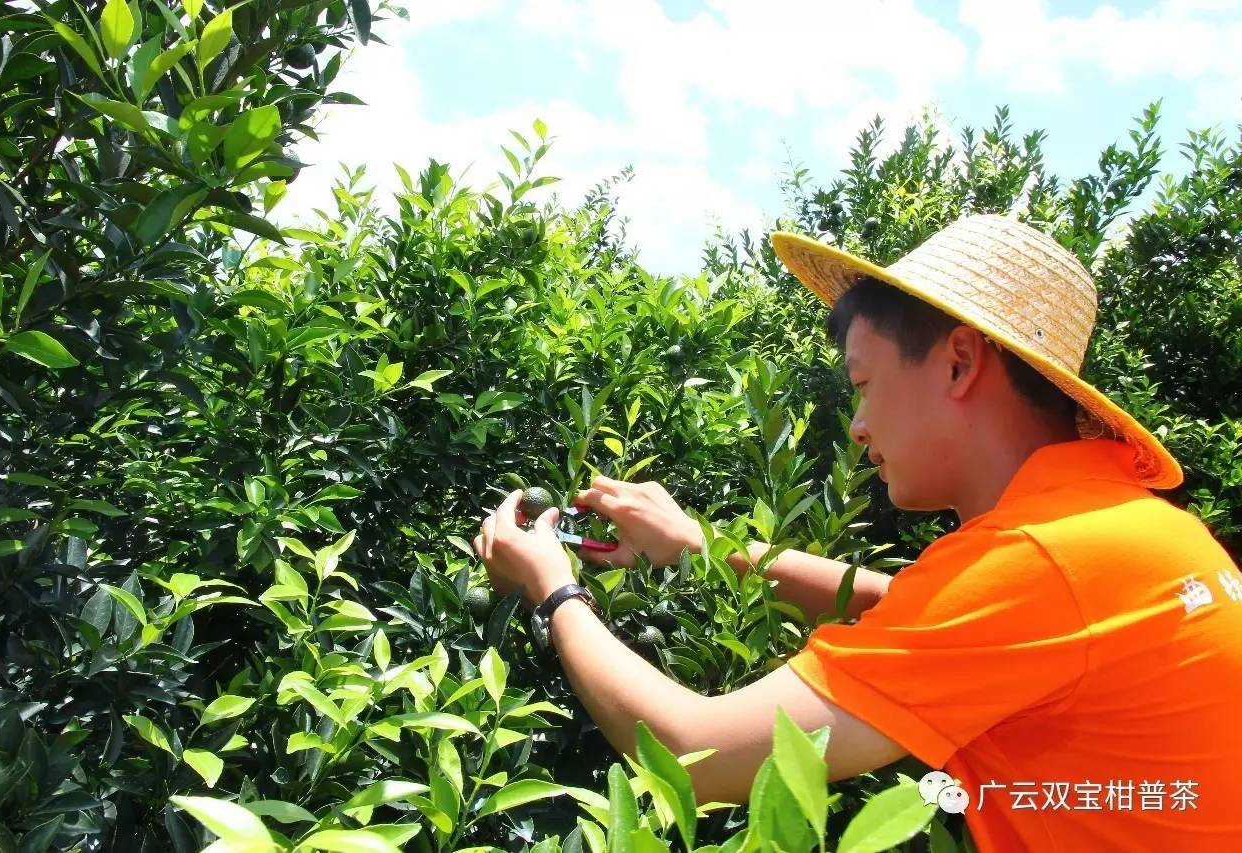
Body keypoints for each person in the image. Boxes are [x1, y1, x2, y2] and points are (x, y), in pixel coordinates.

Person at [471, 214, 1242, 851]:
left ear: (959, 363)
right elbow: (902, 603)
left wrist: (552, 587)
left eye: (864, 385)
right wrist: (702, 548)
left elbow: (694, 751)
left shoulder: (1038, 562)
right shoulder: (1120, 528)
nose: (861, 427)